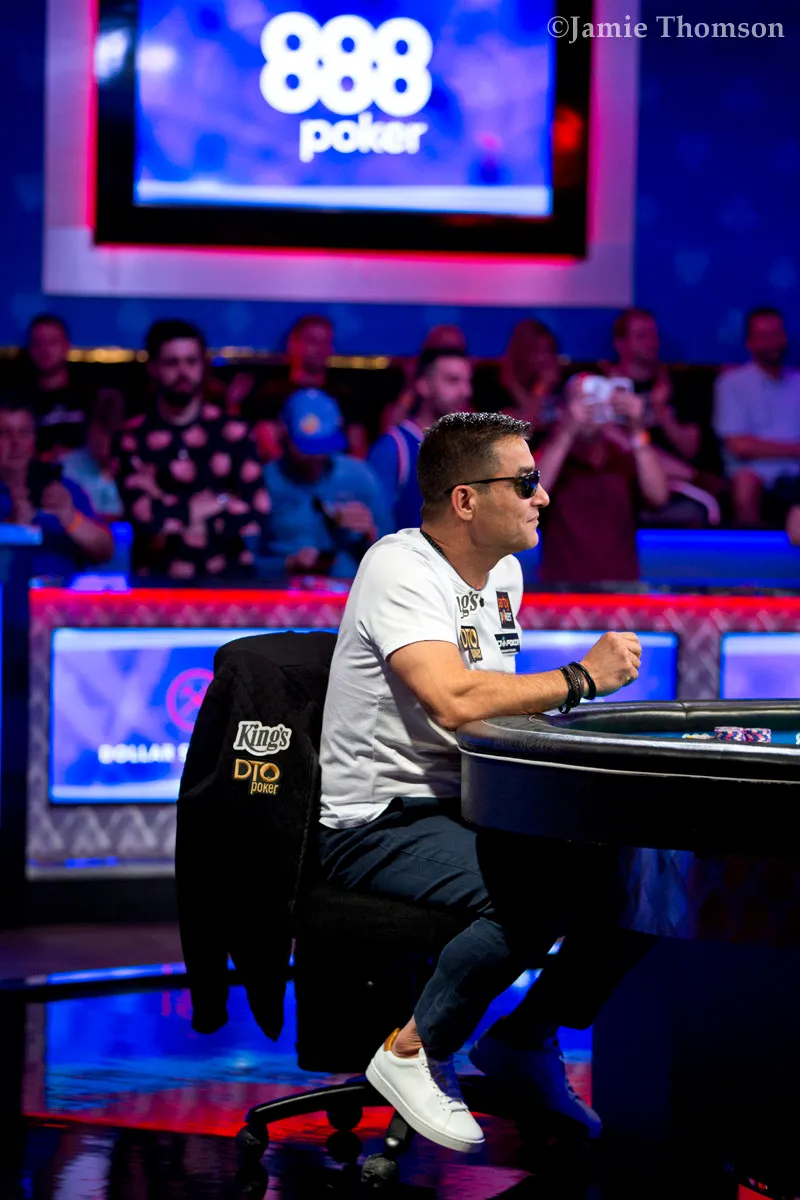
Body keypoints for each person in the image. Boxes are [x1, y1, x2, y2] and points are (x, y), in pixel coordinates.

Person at [318, 411, 648, 1154]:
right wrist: (580, 678)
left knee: (637, 876)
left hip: (472, 802)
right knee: (536, 891)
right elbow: (454, 698)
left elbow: (492, 707)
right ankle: (412, 1051)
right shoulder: (397, 567)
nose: (544, 497)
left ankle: (525, 1038)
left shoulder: (505, 574)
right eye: (525, 482)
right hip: (378, 819)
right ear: (466, 499)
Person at [115, 320, 269, 580]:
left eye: (191, 362)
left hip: (229, 581)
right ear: (153, 368)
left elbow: (256, 517)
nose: (183, 372)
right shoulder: (132, 438)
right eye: (172, 363)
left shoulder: (234, 433)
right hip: (157, 582)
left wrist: (164, 500)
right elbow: (146, 520)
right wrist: (221, 501)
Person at [535, 376, 670, 585]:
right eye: (582, 399)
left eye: (598, 397)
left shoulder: (624, 457)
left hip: (622, 589)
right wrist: (567, 432)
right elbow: (531, 496)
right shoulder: (549, 456)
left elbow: (659, 496)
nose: (591, 406)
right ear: (563, 408)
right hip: (562, 589)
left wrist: (637, 428)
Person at [254, 389, 391, 580]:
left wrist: (370, 534)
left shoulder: (359, 476)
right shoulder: (265, 480)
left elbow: (393, 555)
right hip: (283, 590)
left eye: (323, 447)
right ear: (284, 434)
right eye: (306, 449)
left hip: (348, 588)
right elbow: (245, 561)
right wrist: (289, 564)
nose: (315, 457)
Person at [608, 308, 722, 526]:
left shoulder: (679, 387)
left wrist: (660, 411)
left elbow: (690, 449)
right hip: (623, 481)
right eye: (641, 335)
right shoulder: (604, 389)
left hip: (676, 487)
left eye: (653, 334)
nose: (651, 342)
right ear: (620, 343)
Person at [0, 392, 113, 578]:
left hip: (60, 594)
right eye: (4, 433)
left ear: (34, 437)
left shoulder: (62, 488)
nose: (16, 442)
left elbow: (105, 550)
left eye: (24, 432)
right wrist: (14, 528)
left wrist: (70, 518)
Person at [714, 307, 800, 529]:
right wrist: (795, 449)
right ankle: (748, 550)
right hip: (755, 471)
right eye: (764, 336)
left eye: (776, 334)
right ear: (749, 343)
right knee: (745, 483)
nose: (772, 342)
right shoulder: (732, 383)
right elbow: (739, 446)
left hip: (796, 471)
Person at [368, 348, 473, 530]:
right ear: (423, 385)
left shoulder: (472, 447)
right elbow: (376, 527)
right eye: (452, 380)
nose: (466, 391)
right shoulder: (394, 449)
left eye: (468, 381)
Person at [239, 315, 369, 459]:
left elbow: (358, 449)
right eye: (313, 341)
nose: (320, 349)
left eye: (326, 343)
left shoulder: (345, 396)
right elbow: (266, 443)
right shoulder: (271, 395)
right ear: (293, 343)